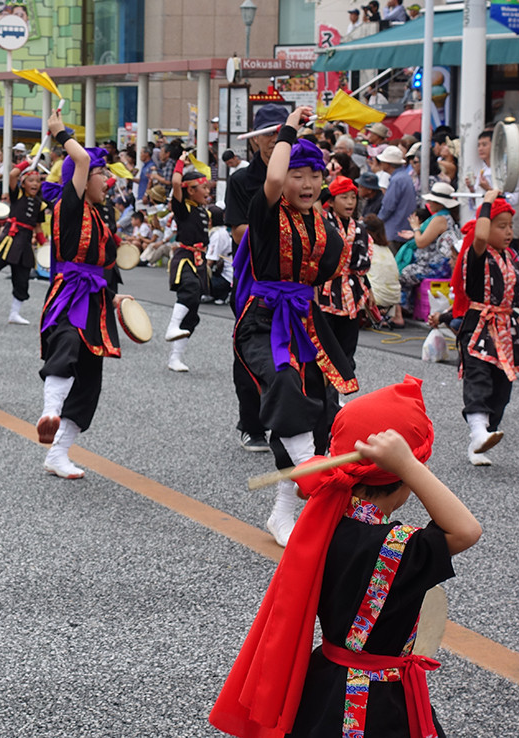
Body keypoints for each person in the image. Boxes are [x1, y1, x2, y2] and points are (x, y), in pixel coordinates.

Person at [210, 376, 482, 738]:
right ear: (403, 478)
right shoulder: (397, 545)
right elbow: (466, 530)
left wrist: (407, 467)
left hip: (324, 683)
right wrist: (410, 466)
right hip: (379, 701)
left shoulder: (323, 525)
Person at [232, 105, 356, 547]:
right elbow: (269, 178)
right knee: (284, 382)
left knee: (323, 403)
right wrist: (289, 129)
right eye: (298, 175)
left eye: (315, 176)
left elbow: (326, 270)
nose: (307, 184)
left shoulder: (322, 225)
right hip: (264, 319)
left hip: (306, 320)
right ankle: (313, 471)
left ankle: (283, 512)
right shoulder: (266, 212)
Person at [34, 109, 131, 479]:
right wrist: (60, 133)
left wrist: (116, 297)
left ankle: (58, 453)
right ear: (80, 178)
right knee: (67, 345)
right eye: (101, 173)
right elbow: (82, 157)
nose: (106, 179)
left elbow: (106, 266)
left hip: (97, 298)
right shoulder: (69, 207)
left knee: (91, 380)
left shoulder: (100, 215)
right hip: (71, 292)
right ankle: (49, 410)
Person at [225, 103, 291, 455]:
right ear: (255, 140)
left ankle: (290, 424)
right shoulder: (241, 180)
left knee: (296, 351)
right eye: (267, 133)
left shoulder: (299, 176)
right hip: (252, 280)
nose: (273, 140)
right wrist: (277, 235)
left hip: (293, 281)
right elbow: (237, 230)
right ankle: (250, 424)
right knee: (249, 350)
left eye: (280, 133)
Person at [450, 192, 519, 466]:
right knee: (478, 377)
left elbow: (505, 295)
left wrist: (516, 316)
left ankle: (479, 440)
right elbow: (481, 235)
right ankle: (477, 430)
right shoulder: (478, 253)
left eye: (510, 226)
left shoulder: (508, 257)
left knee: (501, 390)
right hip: (479, 325)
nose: (508, 232)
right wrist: (486, 202)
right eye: (501, 225)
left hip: (504, 328)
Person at [318, 177, 377, 371]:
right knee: (325, 350)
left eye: (353, 197)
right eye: (344, 197)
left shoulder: (359, 228)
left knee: (347, 350)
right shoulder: (322, 222)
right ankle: (326, 398)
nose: (350, 202)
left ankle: (339, 396)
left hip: (352, 292)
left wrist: (369, 290)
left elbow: (361, 265)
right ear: (332, 202)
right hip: (326, 291)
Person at [164, 151, 213, 372]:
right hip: (184, 258)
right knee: (190, 289)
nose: (207, 191)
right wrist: (180, 161)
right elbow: (176, 182)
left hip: (199, 260)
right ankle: (172, 326)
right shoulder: (182, 208)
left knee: (193, 314)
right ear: (191, 190)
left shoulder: (204, 212)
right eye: (203, 187)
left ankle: (175, 358)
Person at [0, 158, 44, 325]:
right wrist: (27, 163)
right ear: (23, 183)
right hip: (9, 239)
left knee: (22, 280)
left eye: (38, 181)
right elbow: (13, 174)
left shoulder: (40, 204)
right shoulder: (17, 195)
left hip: (25, 244)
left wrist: (43, 243)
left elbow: (38, 227)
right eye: (31, 180)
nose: (35, 184)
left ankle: (14, 314)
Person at [392, 182, 462, 326]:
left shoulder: (439, 219)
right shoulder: (444, 217)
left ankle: (401, 312)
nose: (428, 203)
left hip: (433, 266)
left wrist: (416, 228)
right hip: (437, 263)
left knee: (401, 274)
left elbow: (421, 242)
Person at [376, 146, 416, 249]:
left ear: (388, 164)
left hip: (394, 231)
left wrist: (377, 222)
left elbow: (388, 206)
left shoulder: (397, 180)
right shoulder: (404, 177)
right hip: (402, 228)